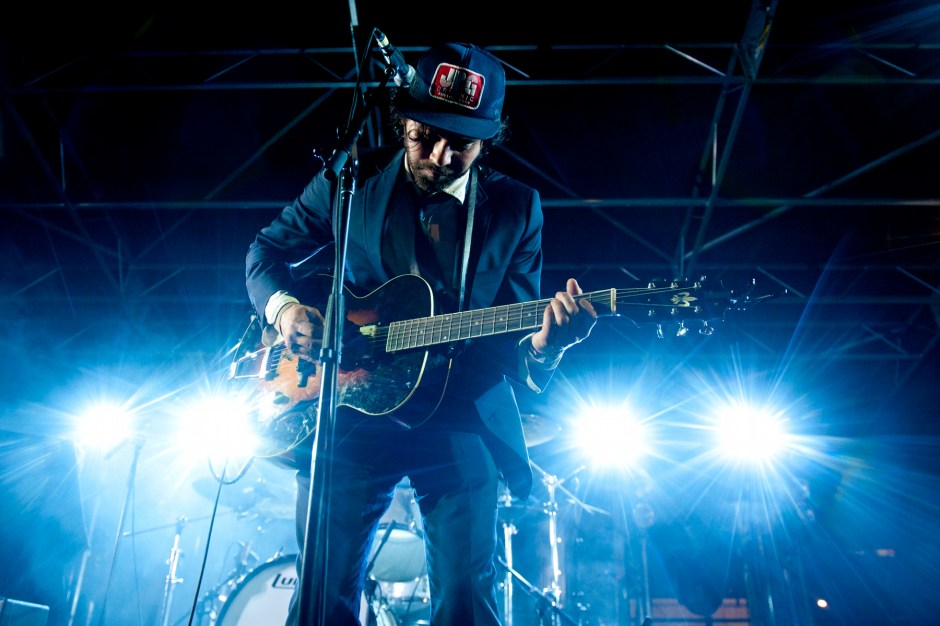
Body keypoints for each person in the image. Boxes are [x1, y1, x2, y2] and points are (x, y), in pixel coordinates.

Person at [245, 40, 596, 626]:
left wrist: (546, 346)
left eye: (461, 144)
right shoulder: (351, 181)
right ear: (402, 121)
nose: (440, 155)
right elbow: (265, 252)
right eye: (424, 136)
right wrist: (286, 312)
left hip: (459, 412)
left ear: (489, 139)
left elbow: (514, 339)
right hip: (352, 405)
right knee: (321, 595)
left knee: (465, 602)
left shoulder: (517, 209)